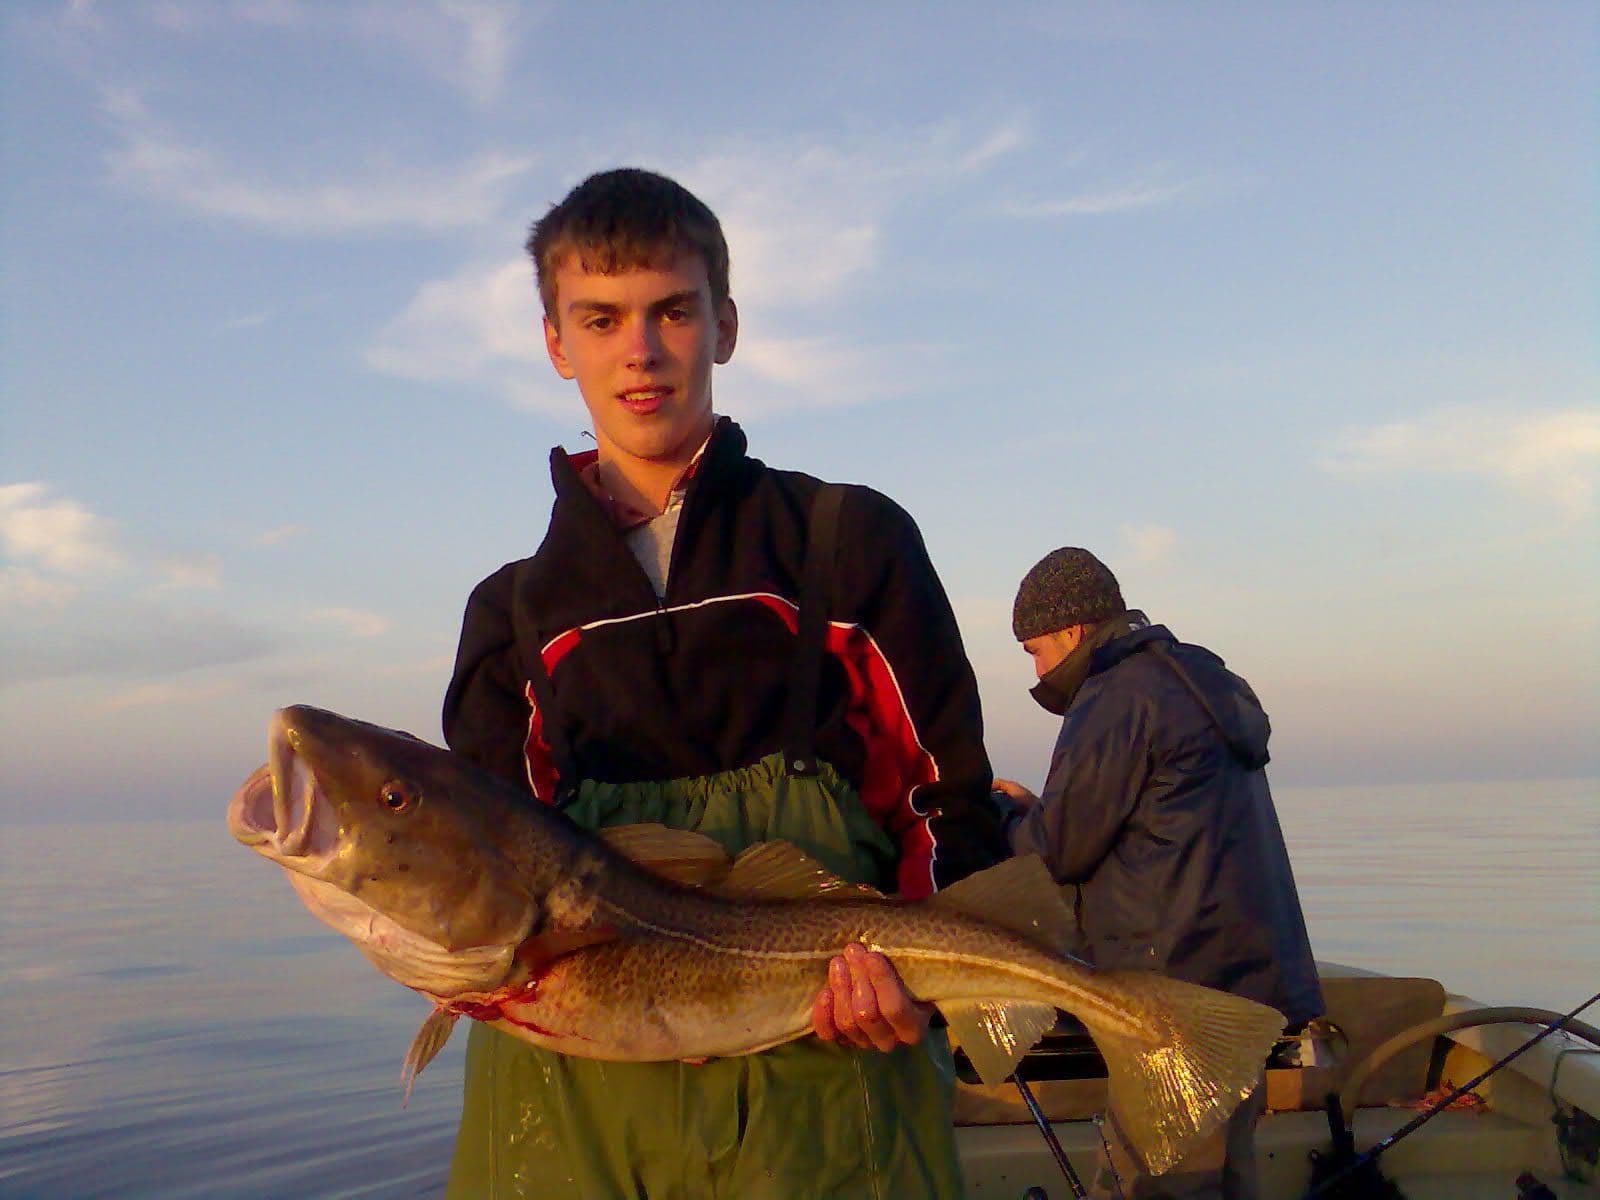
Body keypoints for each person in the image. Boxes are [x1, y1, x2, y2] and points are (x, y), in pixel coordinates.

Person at [440, 167, 1007, 1199]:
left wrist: (918, 987)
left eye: (672, 310)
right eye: (601, 318)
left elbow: (945, 802)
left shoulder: (848, 539)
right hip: (572, 1109)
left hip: (827, 1088)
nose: (640, 349)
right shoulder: (509, 615)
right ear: (556, 344)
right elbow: (482, 870)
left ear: (725, 325)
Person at [993, 547, 1323, 1200]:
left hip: (1176, 992)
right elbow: (1143, 819)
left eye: (1034, 650)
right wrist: (1044, 808)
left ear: (1072, 630)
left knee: (1153, 1181)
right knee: (1226, 1175)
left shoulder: (1114, 695)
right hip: (1250, 979)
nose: (1036, 667)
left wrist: (1001, 818)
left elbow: (1062, 852)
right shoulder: (1195, 678)